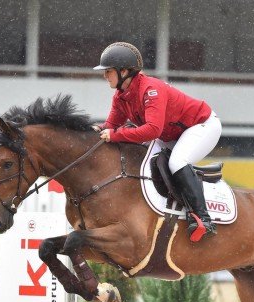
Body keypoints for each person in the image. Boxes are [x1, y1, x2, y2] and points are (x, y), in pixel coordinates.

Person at [93, 42, 222, 242]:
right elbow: (111, 124)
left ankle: (203, 219)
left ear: (124, 71)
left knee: (177, 162)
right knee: (143, 159)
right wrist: (96, 130)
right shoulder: (120, 96)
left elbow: (153, 130)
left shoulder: (150, 90)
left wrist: (115, 135)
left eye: (108, 71)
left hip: (202, 126)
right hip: (172, 135)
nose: (104, 76)